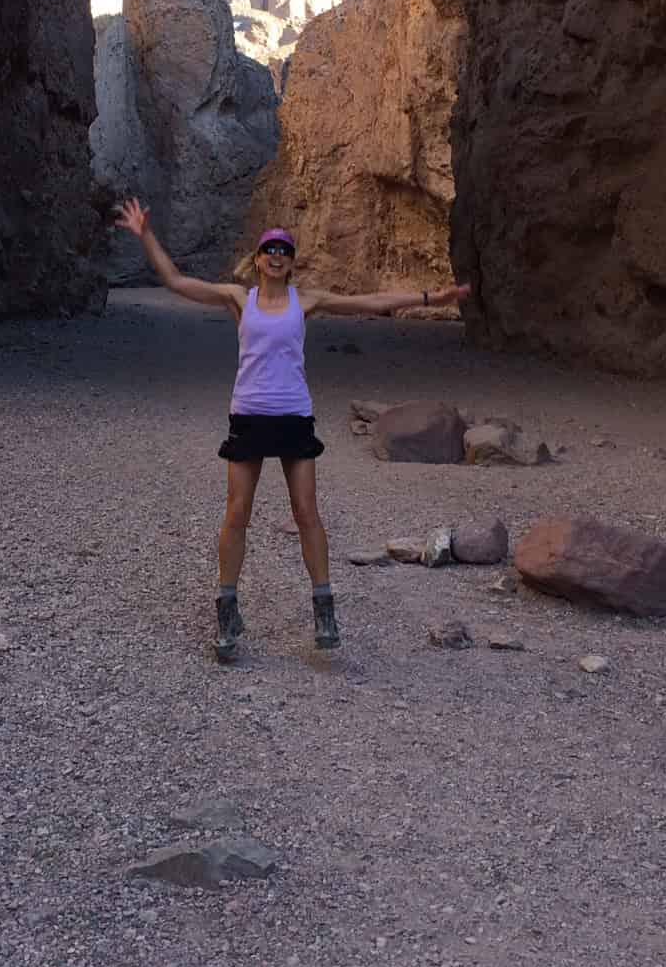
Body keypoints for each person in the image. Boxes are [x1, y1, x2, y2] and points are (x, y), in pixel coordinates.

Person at [112, 197, 470, 662]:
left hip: (295, 416)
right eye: (269, 250)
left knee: (307, 513)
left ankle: (324, 610)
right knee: (237, 512)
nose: (276, 256)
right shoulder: (240, 299)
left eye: (284, 250)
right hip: (249, 416)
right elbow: (177, 281)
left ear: (290, 262)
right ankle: (227, 608)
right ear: (258, 260)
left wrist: (429, 299)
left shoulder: (309, 301)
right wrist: (145, 235)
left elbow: (372, 301)